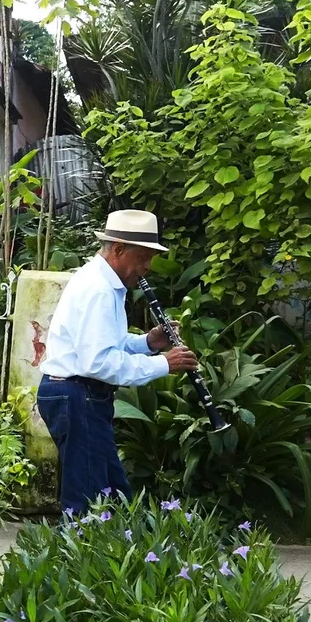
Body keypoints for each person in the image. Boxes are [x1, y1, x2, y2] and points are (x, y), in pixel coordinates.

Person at [38, 209, 199, 514]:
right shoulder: (98, 290)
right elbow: (98, 362)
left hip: (81, 394)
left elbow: (104, 345)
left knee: (113, 494)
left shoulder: (105, 284)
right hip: (77, 394)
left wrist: (147, 343)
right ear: (119, 249)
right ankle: (77, 557)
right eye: (143, 258)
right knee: (88, 501)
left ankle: (110, 555)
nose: (148, 267)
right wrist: (165, 363)